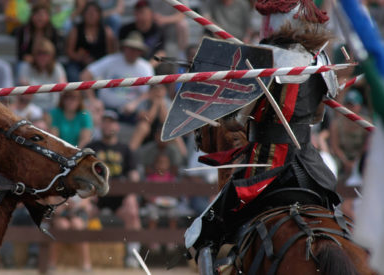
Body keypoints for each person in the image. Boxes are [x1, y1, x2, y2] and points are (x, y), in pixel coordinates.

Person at [176, 0, 343, 270]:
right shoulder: (319, 62)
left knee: (202, 234)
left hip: (264, 167)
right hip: (311, 170)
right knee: (336, 220)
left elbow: (235, 121)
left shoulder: (259, 61)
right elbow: (316, 115)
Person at [85, 110, 142, 267]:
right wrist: (89, 193)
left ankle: (133, 255)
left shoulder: (125, 149)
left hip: (119, 197)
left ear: (117, 126)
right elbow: (83, 174)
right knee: (83, 212)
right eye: (105, 121)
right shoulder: (91, 148)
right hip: (96, 195)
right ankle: (84, 258)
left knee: (132, 211)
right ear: (100, 124)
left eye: (111, 122)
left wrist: (131, 193)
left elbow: (133, 175)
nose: (108, 125)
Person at [80, 31, 154, 140]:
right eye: (130, 48)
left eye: (136, 49)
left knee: (144, 125)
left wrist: (135, 104)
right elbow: (85, 75)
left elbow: (149, 92)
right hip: (105, 108)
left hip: (129, 113)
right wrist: (93, 100)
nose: (133, 52)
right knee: (87, 112)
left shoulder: (146, 67)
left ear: (140, 52)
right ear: (124, 48)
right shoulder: (111, 60)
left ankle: (128, 154)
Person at [65, 1, 117, 81]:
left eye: (94, 12)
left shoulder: (107, 32)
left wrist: (99, 63)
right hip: (79, 64)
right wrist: (79, 57)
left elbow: (111, 54)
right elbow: (69, 52)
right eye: (88, 12)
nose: (91, 15)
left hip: (100, 64)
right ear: (83, 14)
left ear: (99, 15)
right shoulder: (76, 30)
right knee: (72, 73)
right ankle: (75, 93)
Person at [17, 38, 67, 112]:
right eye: (39, 53)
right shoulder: (26, 67)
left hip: (53, 107)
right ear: (34, 54)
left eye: (46, 53)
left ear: (51, 55)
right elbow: (23, 90)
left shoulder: (57, 68)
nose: (42, 57)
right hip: (31, 108)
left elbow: (63, 88)